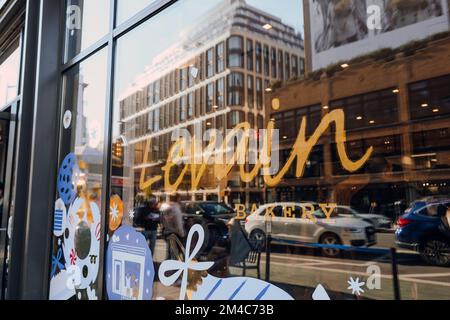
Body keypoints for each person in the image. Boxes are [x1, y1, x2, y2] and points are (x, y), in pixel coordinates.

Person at [160, 194, 185, 260]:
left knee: (169, 253)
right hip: (175, 234)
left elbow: (162, 220)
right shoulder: (176, 210)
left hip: (168, 232)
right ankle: (172, 269)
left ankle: (166, 268)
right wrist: (182, 235)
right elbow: (178, 224)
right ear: (178, 199)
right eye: (180, 199)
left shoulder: (167, 209)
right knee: (175, 254)